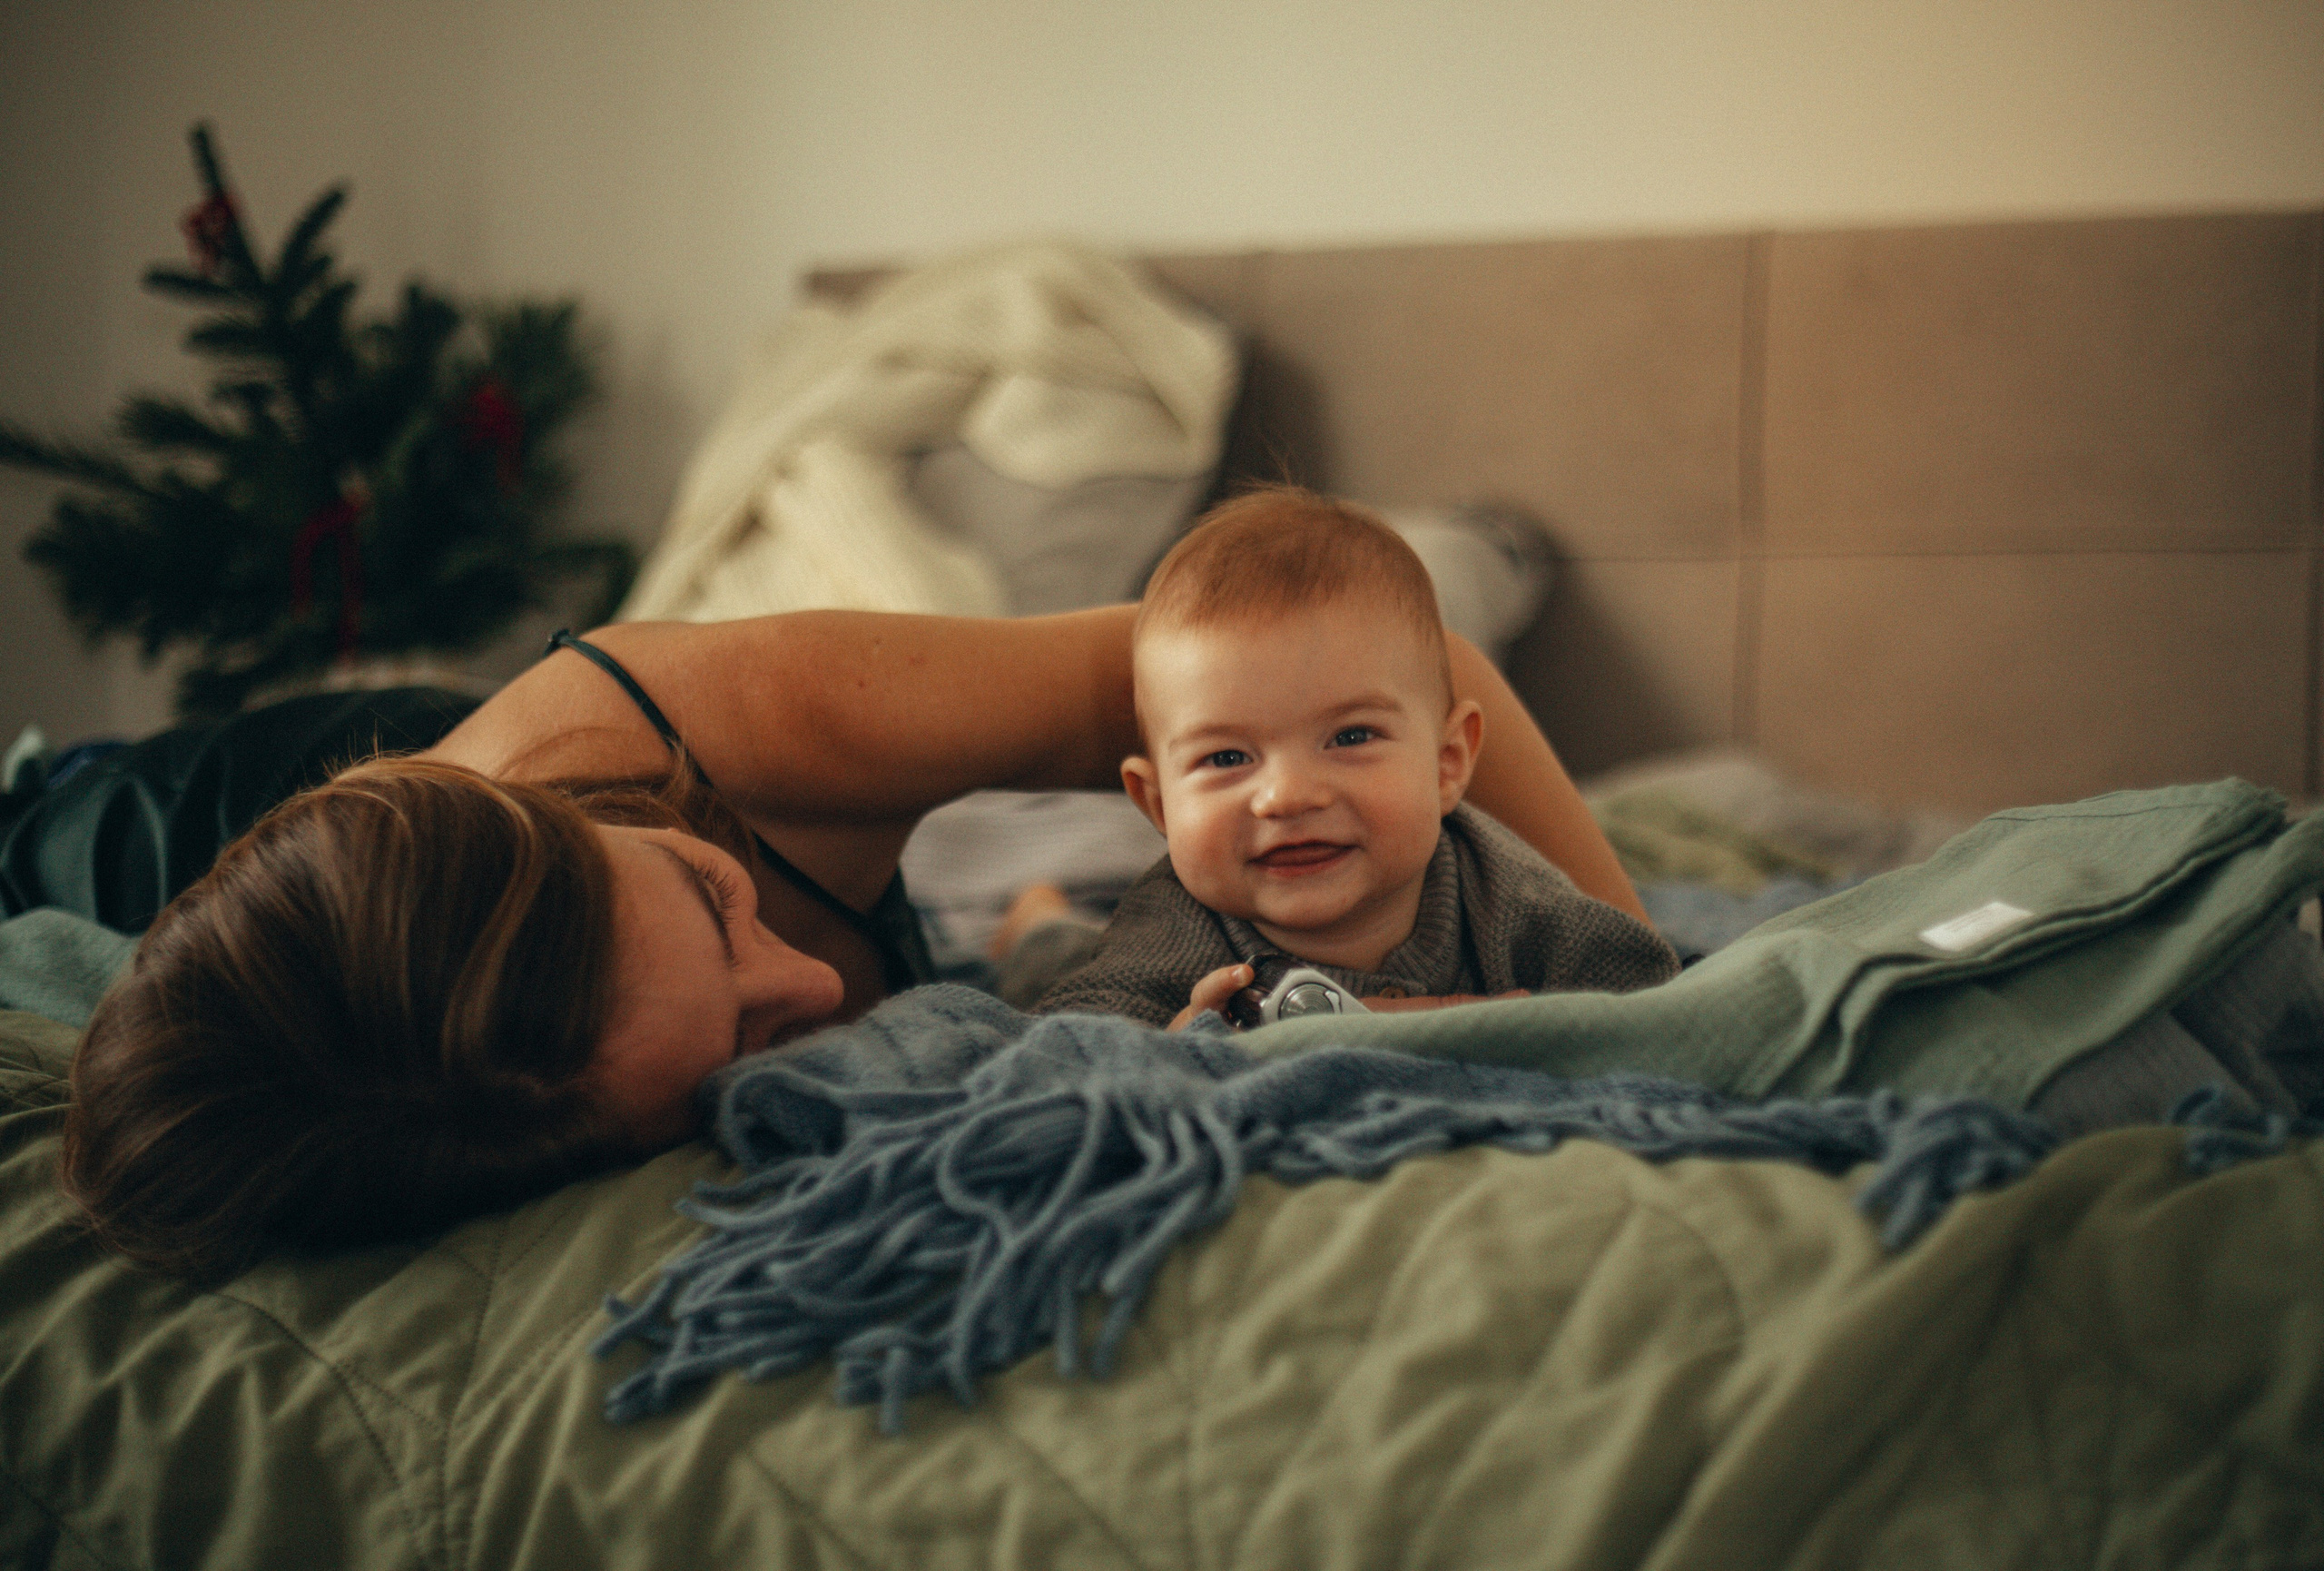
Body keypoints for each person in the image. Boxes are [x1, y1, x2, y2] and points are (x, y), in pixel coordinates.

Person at [48, 591, 1646, 1280]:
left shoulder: (751, 716)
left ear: (602, 822)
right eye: (749, 1053)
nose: (816, 985)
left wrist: (1655, 988)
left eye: (713, 897)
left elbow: (1402, 647)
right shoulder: (439, 1086)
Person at [1032, 489, 1678, 1030]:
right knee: (1054, 956)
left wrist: (1544, 1023)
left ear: (1447, 764)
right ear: (1158, 804)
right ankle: (1033, 922)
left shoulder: (1501, 888)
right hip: (1086, 955)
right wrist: (1177, 1041)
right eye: (1227, 756)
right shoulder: (1175, 922)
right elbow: (1077, 1042)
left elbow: (1649, 995)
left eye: (1349, 738)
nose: (1286, 796)